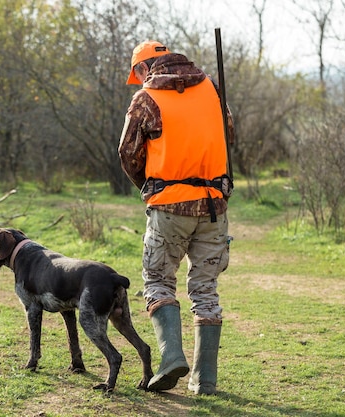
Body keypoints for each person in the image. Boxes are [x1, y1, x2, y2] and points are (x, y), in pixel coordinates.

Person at [118, 40, 233, 394]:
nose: (137, 81)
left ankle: (171, 358)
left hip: (168, 206)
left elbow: (127, 153)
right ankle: (205, 381)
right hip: (214, 204)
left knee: (157, 280)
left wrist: (150, 186)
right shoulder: (212, 89)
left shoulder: (146, 98)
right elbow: (228, 135)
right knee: (205, 290)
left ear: (144, 68)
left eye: (137, 73)